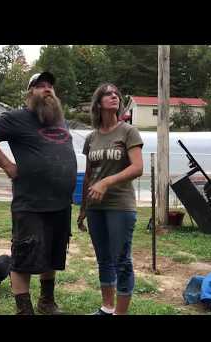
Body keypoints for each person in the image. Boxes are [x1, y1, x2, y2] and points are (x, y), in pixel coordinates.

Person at [0, 71, 77, 315]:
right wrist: (8, 165)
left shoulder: (59, 120)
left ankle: (47, 302)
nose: (47, 89)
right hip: (30, 204)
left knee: (52, 254)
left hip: (60, 203)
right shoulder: (17, 117)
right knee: (23, 257)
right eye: (40, 86)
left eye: (50, 86)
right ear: (30, 93)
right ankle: (24, 310)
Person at [77, 83, 143, 315]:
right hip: (95, 207)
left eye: (116, 94)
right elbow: (88, 175)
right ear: (98, 103)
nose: (114, 96)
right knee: (103, 259)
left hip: (120, 205)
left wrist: (106, 182)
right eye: (108, 94)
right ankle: (107, 307)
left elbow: (137, 168)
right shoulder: (91, 137)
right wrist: (83, 208)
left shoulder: (128, 132)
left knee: (121, 260)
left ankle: (120, 313)